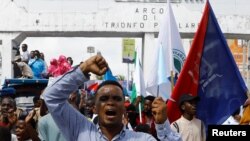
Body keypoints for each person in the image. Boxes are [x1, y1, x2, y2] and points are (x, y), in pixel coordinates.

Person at [44, 55, 182, 141]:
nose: (110, 102)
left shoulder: (142, 138)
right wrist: (83, 68)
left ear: (124, 107)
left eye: (117, 99)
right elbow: (51, 96)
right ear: (95, 108)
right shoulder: (80, 130)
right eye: (104, 99)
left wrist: (163, 125)